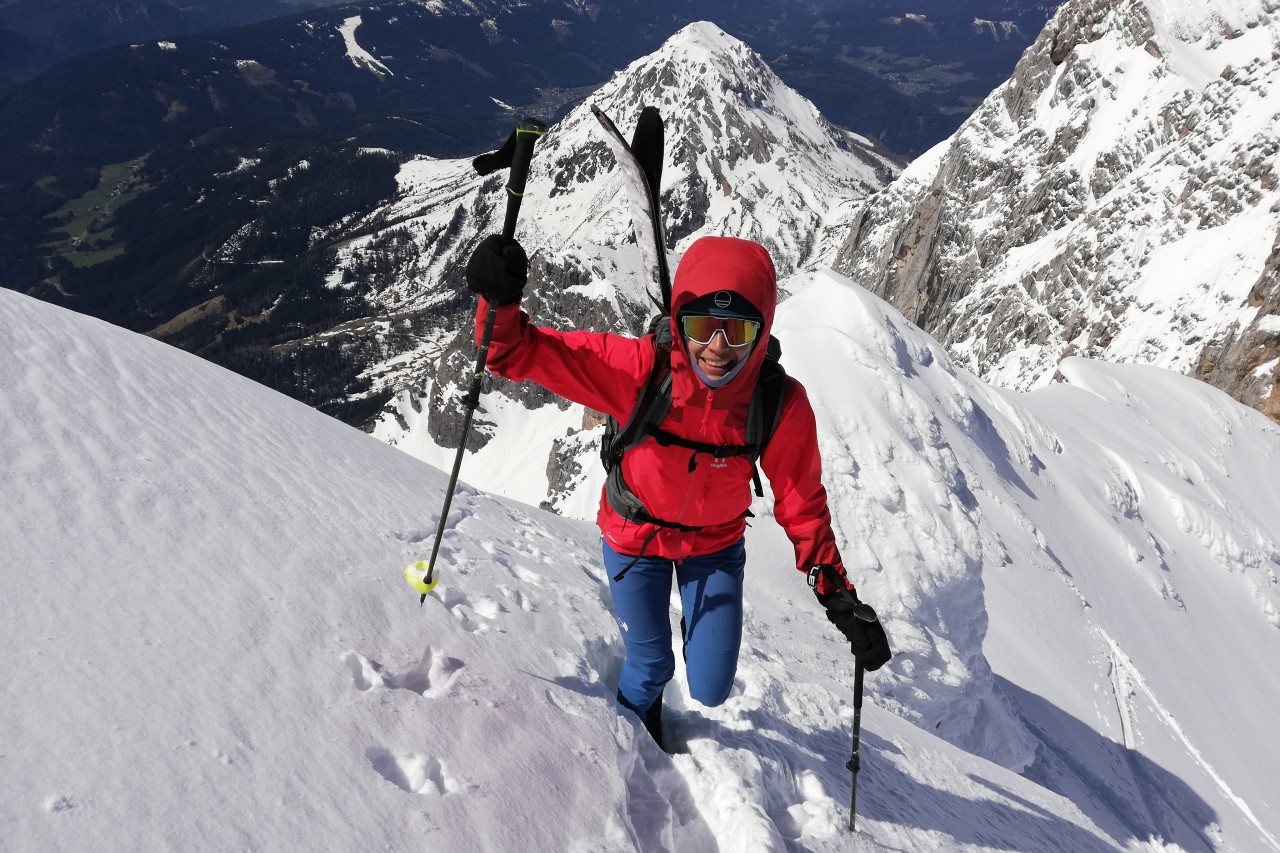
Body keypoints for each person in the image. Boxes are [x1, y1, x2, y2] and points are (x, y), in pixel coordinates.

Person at [466, 233, 891, 750]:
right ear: (678, 322)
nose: (717, 347)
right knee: (650, 664)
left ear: (762, 332)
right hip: (635, 536)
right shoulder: (640, 371)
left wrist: (838, 596)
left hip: (713, 546)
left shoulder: (777, 402)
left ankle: (663, 691)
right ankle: (631, 744)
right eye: (701, 326)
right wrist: (499, 301)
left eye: (737, 330)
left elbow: (801, 503)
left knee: (711, 689)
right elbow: (511, 352)